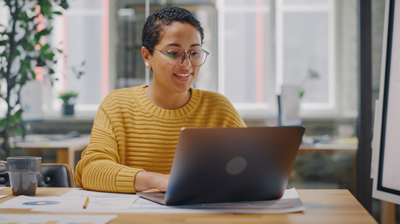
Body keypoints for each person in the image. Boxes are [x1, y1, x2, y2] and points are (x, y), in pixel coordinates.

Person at [75, 6, 246, 193]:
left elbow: (253, 166)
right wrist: (158, 181)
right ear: (147, 56)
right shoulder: (117, 105)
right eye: (174, 53)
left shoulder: (218, 108)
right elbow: (91, 170)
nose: (187, 65)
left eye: (194, 53)